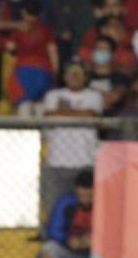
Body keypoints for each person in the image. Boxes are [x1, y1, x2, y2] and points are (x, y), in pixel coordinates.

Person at [40, 59, 103, 223]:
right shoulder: (52, 95)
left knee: (88, 211)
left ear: (85, 76)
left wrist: (62, 111)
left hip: (86, 161)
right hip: (57, 162)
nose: (75, 76)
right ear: (65, 76)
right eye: (71, 72)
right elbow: (49, 116)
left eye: (79, 73)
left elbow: (92, 116)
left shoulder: (94, 95)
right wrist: (79, 114)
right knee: (54, 207)